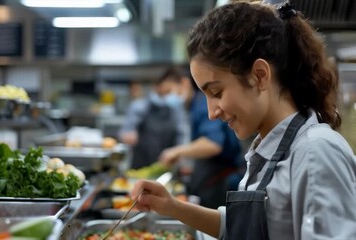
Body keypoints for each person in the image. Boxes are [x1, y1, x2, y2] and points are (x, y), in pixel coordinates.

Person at [130, 2, 356, 240]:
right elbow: (244, 229)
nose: (212, 113)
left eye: (216, 93)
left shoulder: (315, 152)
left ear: (259, 76)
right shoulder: (266, 149)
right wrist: (171, 207)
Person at [158, 66, 243, 209]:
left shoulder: (203, 104)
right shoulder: (193, 107)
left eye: (169, 92)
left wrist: (177, 151)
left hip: (222, 182)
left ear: (184, 83)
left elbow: (213, 144)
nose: (168, 98)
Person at [119, 67, 188, 169]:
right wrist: (128, 135)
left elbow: (182, 135)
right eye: (169, 90)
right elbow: (126, 131)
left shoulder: (176, 109)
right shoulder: (139, 106)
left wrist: (182, 158)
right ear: (158, 86)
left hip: (167, 166)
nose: (172, 93)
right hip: (140, 165)